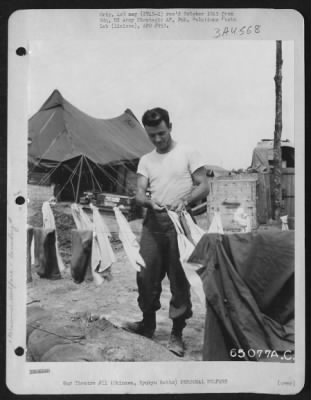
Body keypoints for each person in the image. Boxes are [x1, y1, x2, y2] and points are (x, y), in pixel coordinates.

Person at [124, 107, 210, 357]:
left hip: (180, 222)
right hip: (153, 223)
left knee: (179, 278)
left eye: (161, 133)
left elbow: (203, 185)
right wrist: (148, 201)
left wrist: (185, 199)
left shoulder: (188, 152)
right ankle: (147, 323)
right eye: (152, 136)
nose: (158, 139)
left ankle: (177, 332)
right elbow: (139, 193)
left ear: (170, 126)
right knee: (145, 274)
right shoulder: (146, 160)